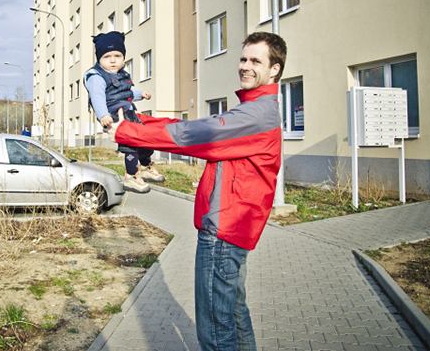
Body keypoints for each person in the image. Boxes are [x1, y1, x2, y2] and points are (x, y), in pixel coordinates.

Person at [114, 31, 287, 351]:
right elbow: (197, 126)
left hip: (224, 231)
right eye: (243, 58)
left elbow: (194, 135)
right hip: (233, 228)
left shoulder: (257, 114)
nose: (245, 66)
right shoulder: (255, 109)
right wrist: (142, 122)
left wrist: (127, 131)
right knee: (233, 315)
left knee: (216, 330)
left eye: (255, 61)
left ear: (274, 69)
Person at [84, 31, 166, 193]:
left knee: (143, 138)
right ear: (99, 59)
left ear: (123, 58)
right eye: (107, 57)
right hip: (114, 115)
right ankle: (131, 176)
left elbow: (127, 92)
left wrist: (140, 94)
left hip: (129, 112)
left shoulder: (122, 75)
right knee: (130, 145)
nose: (113, 60)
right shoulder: (96, 77)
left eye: (117, 56)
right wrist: (103, 115)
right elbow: (97, 97)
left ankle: (145, 166)